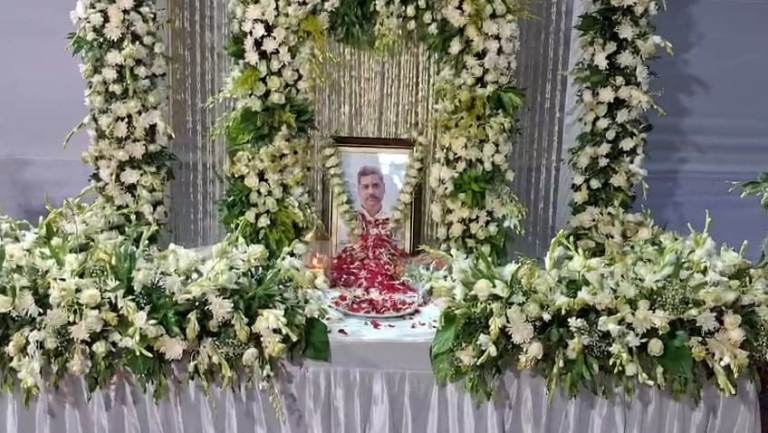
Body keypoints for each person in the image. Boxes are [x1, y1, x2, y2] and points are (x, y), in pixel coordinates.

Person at [330, 165, 413, 294]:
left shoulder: (397, 220)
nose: (371, 192)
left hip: (390, 287)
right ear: (359, 190)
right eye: (365, 187)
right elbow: (337, 256)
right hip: (351, 288)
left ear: (383, 188)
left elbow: (404, 256)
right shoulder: (345, 221)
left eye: (375, 186)